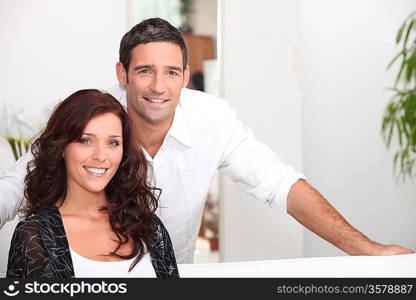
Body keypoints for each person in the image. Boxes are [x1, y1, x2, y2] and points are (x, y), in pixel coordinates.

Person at [1, 18, 413, 264]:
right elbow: (14, 189)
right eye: (144, 71)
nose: (159, 86)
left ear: (186, 75)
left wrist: (368, 250)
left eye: (172, 72)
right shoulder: (87, 117)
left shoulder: (212, 119)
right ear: (122, 73)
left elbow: (281, 185)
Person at [6, 89, 178, 278]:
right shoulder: (36, 235)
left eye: (113, 143)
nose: (101, 156)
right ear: (62, 147)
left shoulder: (150, 227)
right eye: (86, 140)